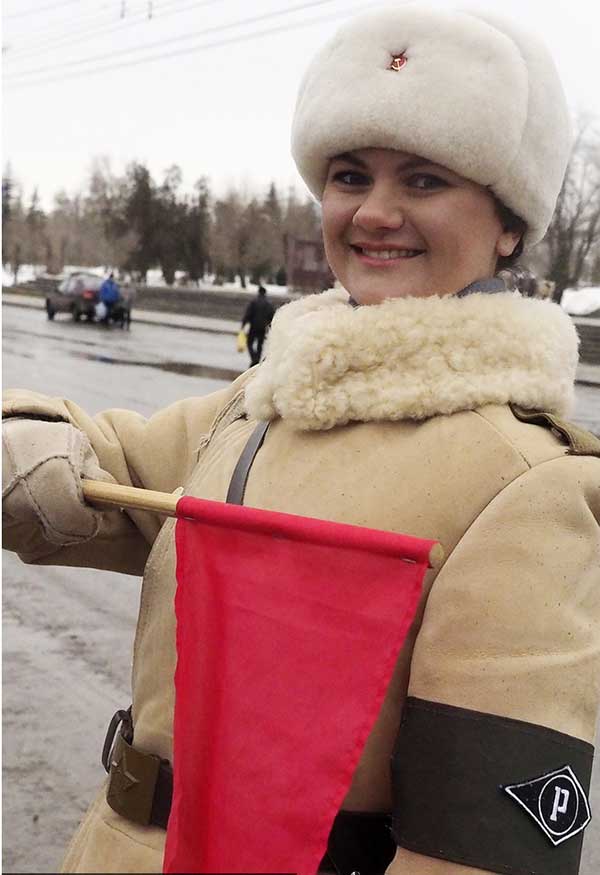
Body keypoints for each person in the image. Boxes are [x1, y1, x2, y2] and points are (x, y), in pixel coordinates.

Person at [3, 6, 600, 874]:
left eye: (425, 180)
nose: (375, 213)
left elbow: (478, 852)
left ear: (509, 224)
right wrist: (27, 446)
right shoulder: (263, 401)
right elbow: (97, 466)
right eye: (351, 175)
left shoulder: (528, 482)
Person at [241, 284, 275, 365]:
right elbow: (272, 316)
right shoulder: (268, 304)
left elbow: (248, 314)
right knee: (260, 344)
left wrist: (243, 324)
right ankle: (257, 359)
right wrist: (270, 326)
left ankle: (254, 357)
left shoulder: (253, 302)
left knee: (249, 343)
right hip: (262, 327)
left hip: (253, 326)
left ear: (258, 292)